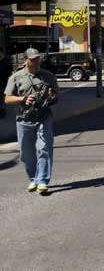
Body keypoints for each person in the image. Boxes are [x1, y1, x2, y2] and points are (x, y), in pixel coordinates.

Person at [4, 48, 59, 195]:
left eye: (38, 59)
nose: (36, 62)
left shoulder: (48, 76)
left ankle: (42, 180)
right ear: (25, 60)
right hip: (24, 119)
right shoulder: (16, 77)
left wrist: (50, 97)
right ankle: (33, 178)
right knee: (26, 153)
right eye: (33, 59)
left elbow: (56, 94)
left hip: (44, 117)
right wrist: (22, 99)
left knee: (45, 147)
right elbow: (7, 99)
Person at [0, 49, 13, 118]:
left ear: (2, 53)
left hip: (4, 82)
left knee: (2, 97)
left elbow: (10, 73)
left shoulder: (7, 62)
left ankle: (2, 111)